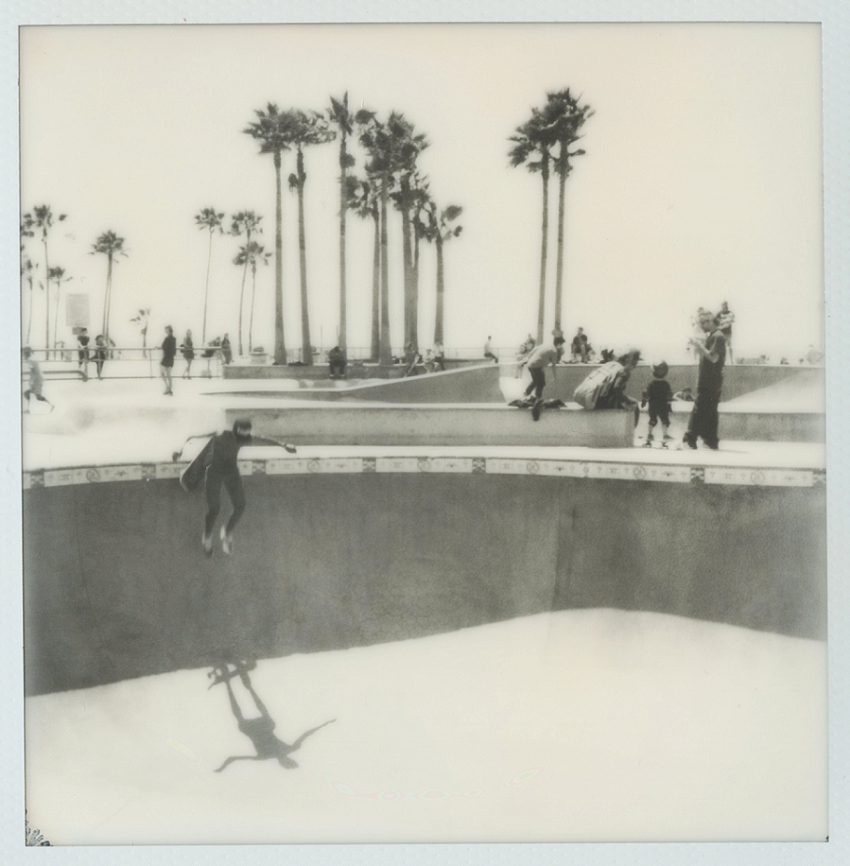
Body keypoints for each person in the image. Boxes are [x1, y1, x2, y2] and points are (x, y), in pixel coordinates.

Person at [176, 418, 297, 554]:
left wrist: (283, 445)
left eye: (247, 433)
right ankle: (207, 536)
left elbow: (262, 439)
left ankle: (227, 532)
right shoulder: (220, 434)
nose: (246, 436)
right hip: (214, 473)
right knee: (214, 509)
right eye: (244, 432)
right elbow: (195, 436)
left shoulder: (243, 438)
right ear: (237, 429)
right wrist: (182, 449)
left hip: (231, 473)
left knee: (240, 506)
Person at [211, 661, 335, 772]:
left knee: (246, 719)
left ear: (281, 763)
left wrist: (222, 768)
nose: (284, 761)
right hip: (262, 727)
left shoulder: (268, 756)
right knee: (265, 719)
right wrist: (324, 724)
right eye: (287, 762)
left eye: (285, 763)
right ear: (288, 760)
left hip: (252, 730)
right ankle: (242, 684)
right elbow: (306, 734)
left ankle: (231, 684)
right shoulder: (288, 750)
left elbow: (233, 758)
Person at [684, 311, 727, 450]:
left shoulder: (717, 337)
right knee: (710, 411)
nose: (701, 326)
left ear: (709, 321)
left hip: (709, 381)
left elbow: (714, 358)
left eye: (702, 323)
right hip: (712, 381)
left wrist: (699, 346)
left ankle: (689, 439)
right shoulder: (714, 336)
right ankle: (710, 440)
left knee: (699, 408)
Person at [573, 349, 642, 425]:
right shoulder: (624, 371)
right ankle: (631, 431)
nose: (634, 367)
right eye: (634, 364)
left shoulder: (610, 364)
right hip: (597, 402)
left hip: (583, 396)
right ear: (628, 361)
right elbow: (617, 388)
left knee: (620, 397)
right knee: (634, 403)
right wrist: (624, 403)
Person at [521, 335, 566, 420]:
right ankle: (538, 400)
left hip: (530, 364)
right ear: (559, 344)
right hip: (536, 365)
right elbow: (553, 365)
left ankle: (526, 393)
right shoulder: (554, 351)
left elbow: (534, 350)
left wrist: (528, 359)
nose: (561, 347)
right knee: (541, 383)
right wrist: (555, 377)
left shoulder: (546, 345)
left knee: (536, 380)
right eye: (561, 345)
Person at [641, 361, 674, 447]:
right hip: (663, 406)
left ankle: (649, 436)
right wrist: (669, 406)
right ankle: (665, 435)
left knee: (652, 420)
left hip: (653, 406)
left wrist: (644, 401)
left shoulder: (651, 384)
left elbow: (646, 393)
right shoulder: (666, 384)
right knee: (664, 420)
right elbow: (669, 396)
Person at [22, 347, 54, 413]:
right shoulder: (31, 359)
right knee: (27, 393)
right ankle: (28, 409)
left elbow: (33, 371)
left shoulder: (29, 360)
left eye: (23, 354)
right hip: (38, 379)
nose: (22, 355)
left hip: (37, 380)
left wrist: (31, 380)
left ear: (26, 354)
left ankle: (51, 405)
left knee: (37, 396)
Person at [160, 325, 177, 395]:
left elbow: (167, 348)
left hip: (167, 357)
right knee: (167, 374)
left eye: (166, 329)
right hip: (169, 358)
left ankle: (168, 388)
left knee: (163, 373)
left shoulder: (170, 339)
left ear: (169, 330)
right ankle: (169, 388)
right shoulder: (169, 338)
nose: (165, 330)